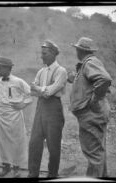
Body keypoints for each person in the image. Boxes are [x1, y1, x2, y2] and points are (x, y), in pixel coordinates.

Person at [68, 37, 112, 177]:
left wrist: (93, 100)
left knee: (93, 153)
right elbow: (88, 83)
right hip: (95, 113)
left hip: (91, 114)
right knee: (98, 151)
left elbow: (104, 79)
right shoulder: (87, 64)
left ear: (80, 50)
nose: (76, 51)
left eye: (77, 49)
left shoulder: (90, 62)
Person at [28, 40, 68, 178]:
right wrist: (41, 90)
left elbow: (49, 93)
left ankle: (52, 175)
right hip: (40, 110)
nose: (41, 56)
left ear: (52, 53)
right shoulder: (41, 71)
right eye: (41, 53)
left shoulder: (61, 71)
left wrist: (39, 89)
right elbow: (32, 91)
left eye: (44, 53)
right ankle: (33, 174)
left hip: (54, 111)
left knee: (53, 146)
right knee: (34, 143)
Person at [0, 57, 32, 177]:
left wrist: (23, 104)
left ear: (8, 68)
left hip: (15, 116)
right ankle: (6, 167)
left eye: (0, 67)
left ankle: (16, 168)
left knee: (16, 141)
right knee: (2, 141)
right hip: (1, 116)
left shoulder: (18, 81)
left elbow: (30, 94)